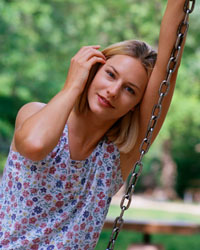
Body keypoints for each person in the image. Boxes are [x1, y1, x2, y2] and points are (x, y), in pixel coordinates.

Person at [0, 0, 188, 249]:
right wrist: (73, 86)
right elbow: (35, 145)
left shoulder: (116, 158)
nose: (113, 91)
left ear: (135, 105)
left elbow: (168, 67)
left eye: (129, 90)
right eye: (110, 74)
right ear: (93, 70)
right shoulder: (34, 113)